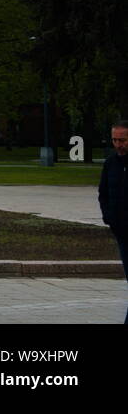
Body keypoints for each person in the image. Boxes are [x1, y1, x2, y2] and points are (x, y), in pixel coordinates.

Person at [99, 119, 128, 324]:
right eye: (115, 140)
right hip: (122, 232)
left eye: (123, 140)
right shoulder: (111, 163)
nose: (118, 144)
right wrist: (109, 217)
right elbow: (103, 193)